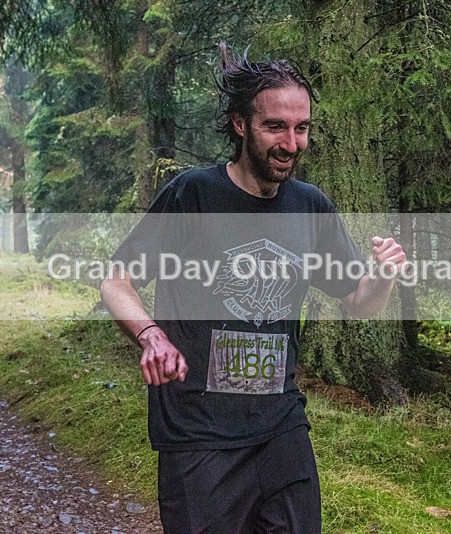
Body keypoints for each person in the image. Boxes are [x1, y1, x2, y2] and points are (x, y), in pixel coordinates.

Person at [100, 42, 406, 533]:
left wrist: (385, 273)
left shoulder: (310, 207)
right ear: (241, 125)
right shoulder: (193, 195)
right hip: (198, 431)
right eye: (275, 127)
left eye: (301, 128)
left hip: (279, 423)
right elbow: (116, 280)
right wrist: (151, 336)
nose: (291, 143)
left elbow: (359, 303)